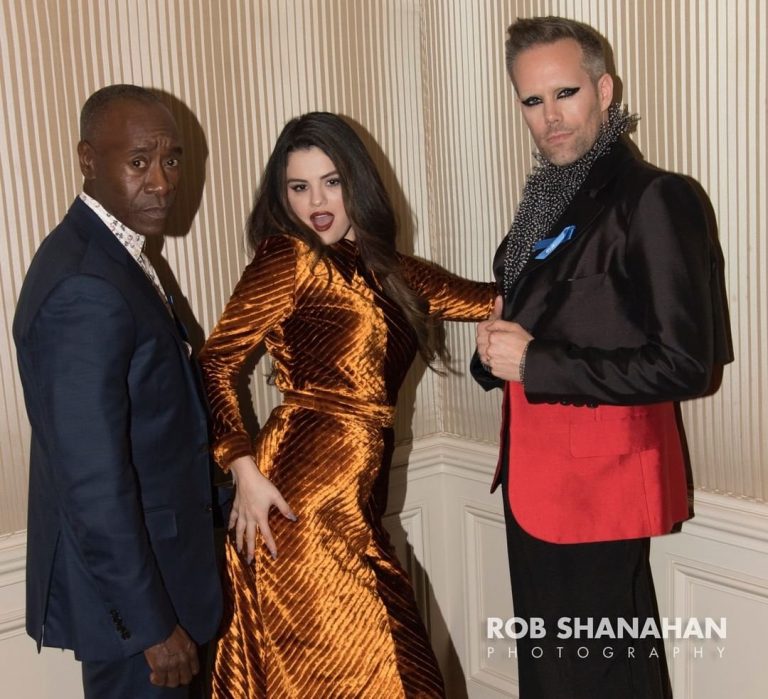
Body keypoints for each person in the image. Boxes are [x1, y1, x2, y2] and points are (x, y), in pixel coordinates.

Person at [472, 16, 732, 699]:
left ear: (604, 89)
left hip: (599, 489)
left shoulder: (657, 197)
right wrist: (493, 351)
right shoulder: (544, 202)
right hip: (532, 481)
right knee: (561, 676)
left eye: (566, 93)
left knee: (594, 680)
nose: (551, 117)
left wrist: (537, 362)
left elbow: (686, 363)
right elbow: (539, 326)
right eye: (533, 101)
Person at [199, 111, 495, 698]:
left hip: (356, 499)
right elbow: (213, 363)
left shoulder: (394, 272)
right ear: (282, 196)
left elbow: (493, 300)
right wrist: (242, 470)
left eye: (331, 182)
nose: (317, 202)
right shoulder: (288, 257)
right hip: (298, 501)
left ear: (356, 181)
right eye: (299, 187)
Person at [13, 84, 222, 698]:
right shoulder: (85, 284)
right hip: (140, 611)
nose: (162, 181)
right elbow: (91, 482)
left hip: (161, 576)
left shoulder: (115, 254)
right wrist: (149, 626)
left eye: (172, 159)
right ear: (87, 159)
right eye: (138, 162)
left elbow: (153, 426)